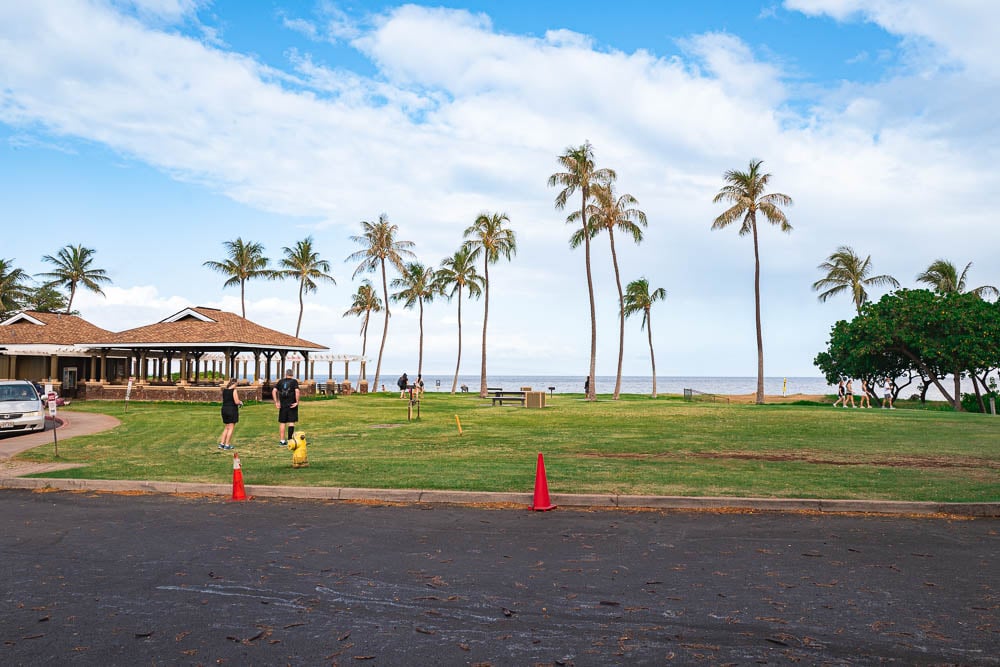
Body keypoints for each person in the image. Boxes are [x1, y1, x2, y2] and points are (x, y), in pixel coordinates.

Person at [272, 370, 300, 446]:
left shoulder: (280, 382)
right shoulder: (294, 382)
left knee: (282, 422)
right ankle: (290, 440)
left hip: (282, 405)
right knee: (291, 422)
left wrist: (276, 402)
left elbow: (274, 391)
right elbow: (297, 391)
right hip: (292, 404)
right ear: (292, 374)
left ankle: (282, 441)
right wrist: (297, 402)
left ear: (285, 374)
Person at [218, 378, 243, 450]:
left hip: (224, 409)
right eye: (237, 384)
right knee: (231, 428)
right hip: (231, 410)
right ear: (234, 384)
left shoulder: (225, 390)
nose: (237, 386)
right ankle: (227, 444)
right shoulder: (234, 391)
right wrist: (241, 402)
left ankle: (222, 444)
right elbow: (236, 401)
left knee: (226, 427)